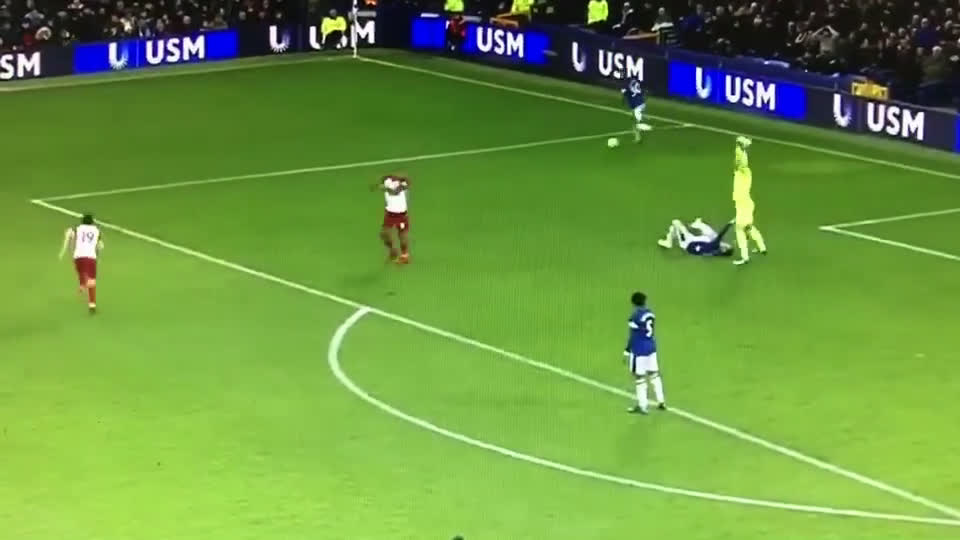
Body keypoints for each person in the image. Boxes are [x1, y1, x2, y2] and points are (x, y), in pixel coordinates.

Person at [624, 292, 666, 414]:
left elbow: (633, 335)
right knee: (654, 375)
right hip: (651, 348)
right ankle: (661, 401)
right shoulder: (650, 314)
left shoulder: (635, 316)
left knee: (639, 377)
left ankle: (642, 406)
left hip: (639, 350)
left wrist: (627, 350)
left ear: (633, 303)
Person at [732, 136, 767, 265]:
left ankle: (745, 257)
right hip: (747, 203)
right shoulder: (746, 173)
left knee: (739, 229)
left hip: (742, 204)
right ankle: (762, 247)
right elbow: (739, 161)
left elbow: (739, 161)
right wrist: (742, 147)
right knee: (749, 227)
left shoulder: (742, 172)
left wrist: (740, 147)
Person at [58, 213, 103, 314]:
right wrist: (99, 256)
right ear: (92, 222)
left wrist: (63, 251)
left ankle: (82, 284)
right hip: (91, 257)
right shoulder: (97, 231)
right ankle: (92, 305)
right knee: (92, 282)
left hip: (78, 257)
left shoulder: (77, 228)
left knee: (81, 271)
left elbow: (68, 235)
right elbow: (100, 246)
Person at [370, 174, 411, 264]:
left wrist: (386, 188)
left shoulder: (401, 185)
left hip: (401, 215)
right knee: (384, 234)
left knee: (402, 235)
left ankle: (405, 256)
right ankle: (392, 250)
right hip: (390, 214)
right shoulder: (388, 184)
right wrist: (383, 187)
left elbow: (395, 192)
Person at [657, 218, 733, 256]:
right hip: (692, 240)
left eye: (727, 246)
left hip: (687, 242)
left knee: (675, 223)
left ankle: (668, 242)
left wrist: (730, 223)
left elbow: (722, 233)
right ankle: (697, 224)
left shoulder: (715, 244)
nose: (727, 244)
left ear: (723, 249)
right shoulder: (714, 248)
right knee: (710, 236)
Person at [621, 78, 651, 142]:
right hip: (641, 105)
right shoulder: (637, 90)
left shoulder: (628, 92)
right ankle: (642, 120)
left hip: (638, 107)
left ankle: (638, 137)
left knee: (635, 124)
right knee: (635, 121)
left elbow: (630, 102)